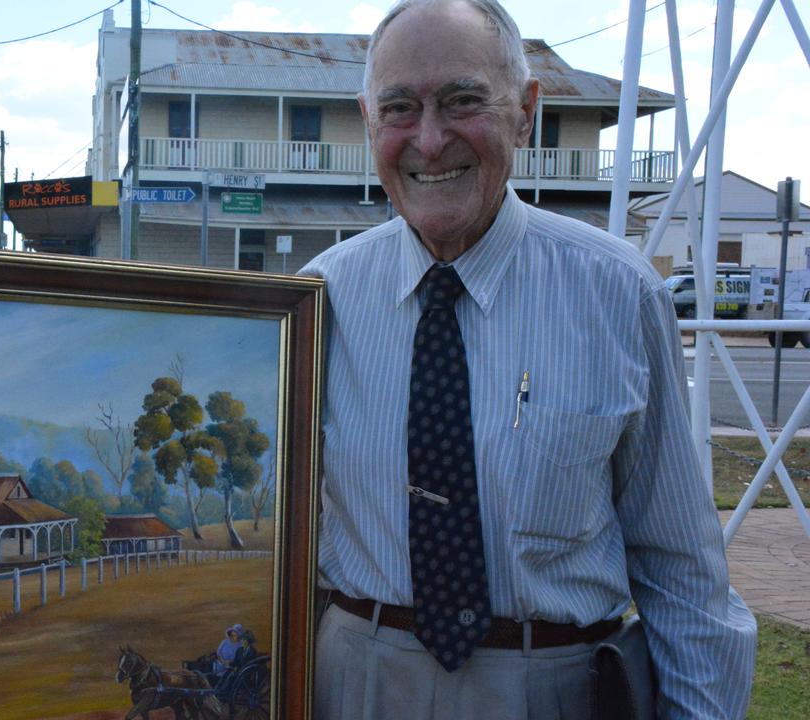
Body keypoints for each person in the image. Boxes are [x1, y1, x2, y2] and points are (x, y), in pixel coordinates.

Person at [300, 1, 756, 717]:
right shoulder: (315, 302)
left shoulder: (619, 293)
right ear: (368, 121)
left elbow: (681, 573)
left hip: (555, 688)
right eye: (399, 108)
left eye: (463, 101)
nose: (429, 138)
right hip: (357, 684)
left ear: (525, 111)